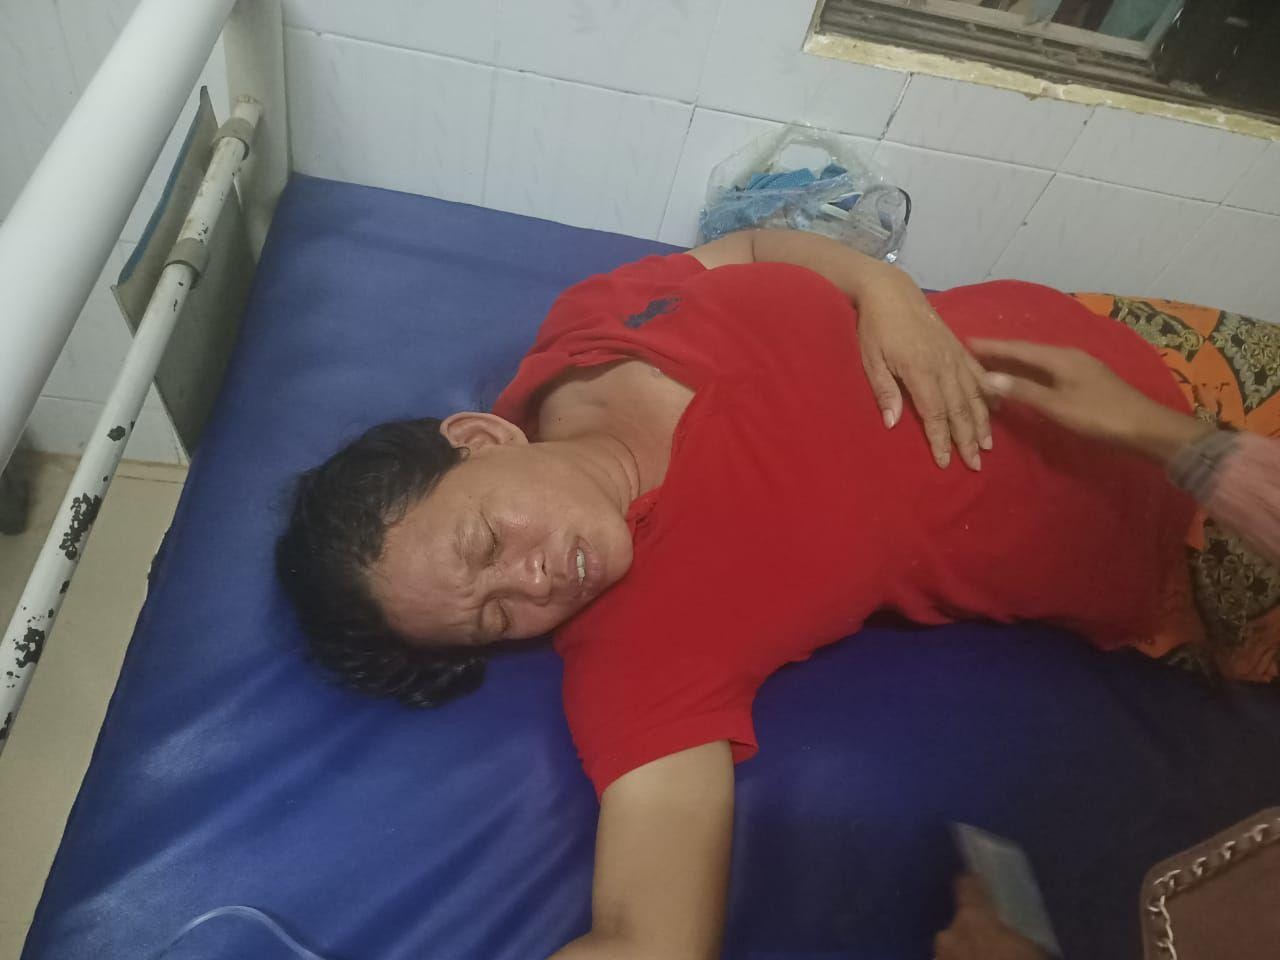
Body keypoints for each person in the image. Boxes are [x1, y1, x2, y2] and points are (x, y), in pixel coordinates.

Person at [276, 229, 1247, 959]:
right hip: (1198, 535)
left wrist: (883, 289)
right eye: (494, 618)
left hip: (1144, 339)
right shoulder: (640, 656)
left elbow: (746, 247)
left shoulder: (587, 328)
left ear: (482, 440)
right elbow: (649, 940)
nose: (531, 581)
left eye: (489, 540)